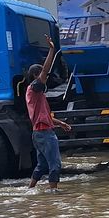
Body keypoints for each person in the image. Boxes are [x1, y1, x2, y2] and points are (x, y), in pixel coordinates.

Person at [25, 40, 72, 190]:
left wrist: (60, 123)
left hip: (38, 132)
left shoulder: (35, 94)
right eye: (41, 74)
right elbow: (45, 71)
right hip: (44, 133)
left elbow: (45, 116)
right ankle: (53, 193)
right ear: (35, 75)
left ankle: (30, 189)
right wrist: (52, 50)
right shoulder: (34, 88)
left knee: (42, 164)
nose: (45, 77)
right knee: (55, 164)